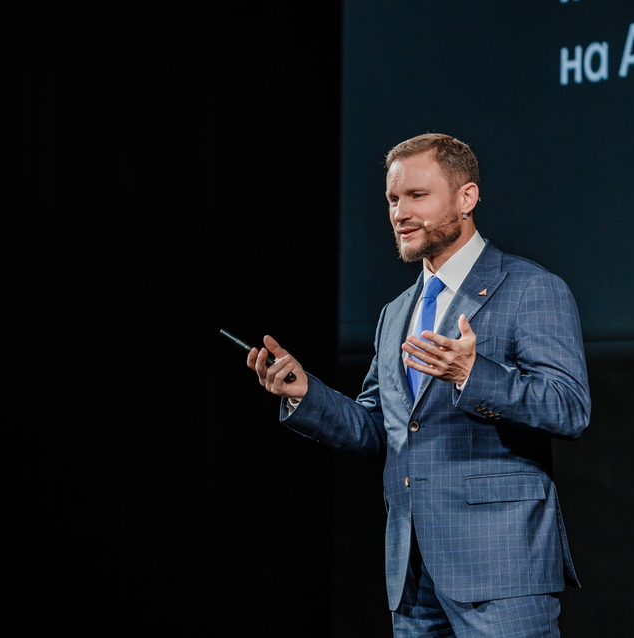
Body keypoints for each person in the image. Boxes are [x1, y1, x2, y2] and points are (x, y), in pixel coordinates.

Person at [248, 133, 590, 637]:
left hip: (500, 568)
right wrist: (306, 393)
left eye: (417, 196)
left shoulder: (531, 288)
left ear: (466, 198)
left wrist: (473, 376)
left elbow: (569, 408)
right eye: (392, 199)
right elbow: (375, 428)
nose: (399, 213)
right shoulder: (395, 314)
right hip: (412, 573)